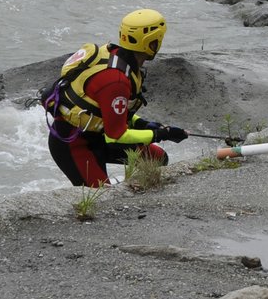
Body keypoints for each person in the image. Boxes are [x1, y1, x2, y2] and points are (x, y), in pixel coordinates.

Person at [42, 9, 189, 187]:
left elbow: (108, 112)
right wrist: (160, 134)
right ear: (150, 43)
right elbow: (116, 136)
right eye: (159, 39)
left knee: (157, 158)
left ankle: (126, 187)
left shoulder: (119, 57)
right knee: (100, 198)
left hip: (99, 135)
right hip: (75, 144)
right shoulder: (116, 81)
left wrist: (142, 123)